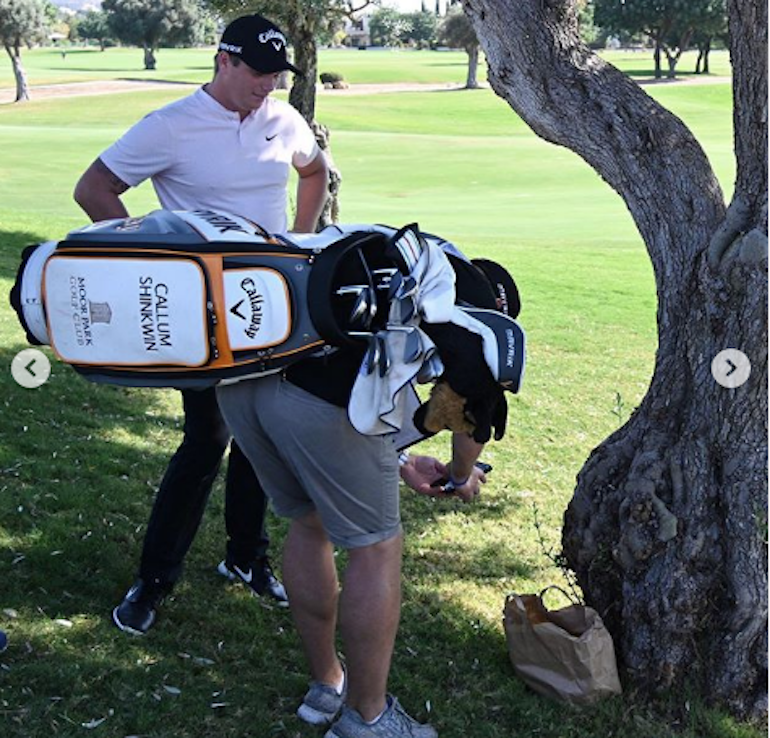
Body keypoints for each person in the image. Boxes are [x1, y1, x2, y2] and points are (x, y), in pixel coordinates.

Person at [73, 13, 331, 635]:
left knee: (260, 439)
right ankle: (154, 579)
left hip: (273, 308)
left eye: (275, 75)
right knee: (206, 441)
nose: (267, 86)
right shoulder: (171, 125)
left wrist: (298, 245)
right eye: (258, 73)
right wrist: (155, 260)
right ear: (224, 61)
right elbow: (94, 188)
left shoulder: (284, 119)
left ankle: (245, 557)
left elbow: (315, 170)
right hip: (202, 317)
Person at [217, 333, 487, 737]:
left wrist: (401, 459)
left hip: (241, 386)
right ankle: (367, 717)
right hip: (320, 399)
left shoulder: (401, 266)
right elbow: (476, 399)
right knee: (376, 547)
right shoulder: (471, 298)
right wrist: (461, 475)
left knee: (310, 524)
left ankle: (326, 686)